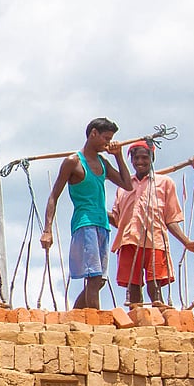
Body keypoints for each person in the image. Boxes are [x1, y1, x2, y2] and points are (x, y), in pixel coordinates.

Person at [40, 118, 133, 309]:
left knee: (100, 280)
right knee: (94, 275)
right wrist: (47, 229)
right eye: (105, 138)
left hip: (102, 224)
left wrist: (118, 156)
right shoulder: (73, 162)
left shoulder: (103, 163)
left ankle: (78, 314)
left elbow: (127, 184)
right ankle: (95, 321)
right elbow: (53, 196)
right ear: (93, 134)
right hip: (85, 223)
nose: (107, 143)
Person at [108, 140, 194, 306]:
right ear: (131, 160)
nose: (140, 162)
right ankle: (137, 320)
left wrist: (186, 242)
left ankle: (159, 317)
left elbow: (171, 219)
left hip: (155, 241)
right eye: (136, 158)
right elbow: (117, 220)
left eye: (144, 158)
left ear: (152, 158)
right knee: (133, 286)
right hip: (128, 241)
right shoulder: (123, 185)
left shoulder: (164, 183)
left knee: (155, 284)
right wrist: (95, 208)